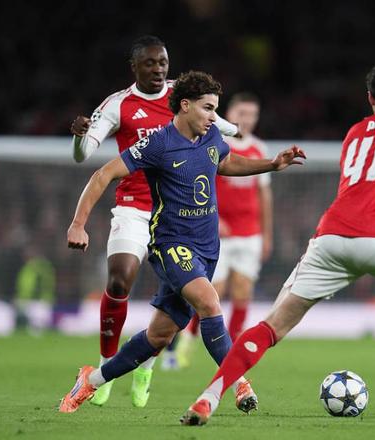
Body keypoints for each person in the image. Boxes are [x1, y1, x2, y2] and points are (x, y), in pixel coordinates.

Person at [180, 59, 375, 426]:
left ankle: (208, 397)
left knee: (272, 326)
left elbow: (364, 191)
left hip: (330, 239)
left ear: (370, 98)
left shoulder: (355, 133)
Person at [58, 70, 306, 414]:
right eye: (208, 108)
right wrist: (78, 224)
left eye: (215, 109)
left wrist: (272, 164)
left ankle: (91, 380)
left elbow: (226, 161)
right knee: (210, 302)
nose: (214, 117)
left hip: (207, 248)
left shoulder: (210, 136)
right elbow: (104, 174)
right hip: (172, 245)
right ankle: (238, 384)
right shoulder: (157, 144)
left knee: (158, 336)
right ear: (185, 106)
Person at [69, 35, 239, 407]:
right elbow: (85, 155)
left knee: (175, 302)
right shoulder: (118, 104)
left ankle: (144, 364)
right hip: (134, 205)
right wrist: (80, 138)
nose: (158, 69)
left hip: (176, 213)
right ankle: (106, 364)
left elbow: (219, 124)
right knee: (120, 277)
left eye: (163, 62)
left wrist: (235, 131)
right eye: (150, 63)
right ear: (135, 67)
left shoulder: (183, 95)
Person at [175, 92, 271, 366]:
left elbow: (264, 196)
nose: (247, 119)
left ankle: (231, 354)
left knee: (242, 291)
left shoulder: (259, 149)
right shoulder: (215, 143)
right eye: (242, 113)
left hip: (250, 232)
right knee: (212, 291)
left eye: (252, 114)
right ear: (229, 114)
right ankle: (187, 340)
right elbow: (200, 186)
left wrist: (267, 235)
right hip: (217, 233)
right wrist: (216, 219)